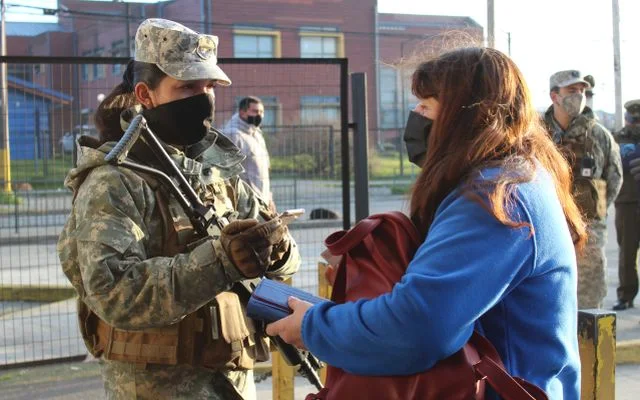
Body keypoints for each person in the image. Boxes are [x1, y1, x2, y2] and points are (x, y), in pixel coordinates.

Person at [266, 47, 585, 399]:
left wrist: (314, 327)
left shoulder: (495, 199)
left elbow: (416, 327)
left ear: (465, 116)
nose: (414, 115)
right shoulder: (518, 177)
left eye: (426, 105)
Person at [57, 18, 301, 400]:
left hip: (232, 380)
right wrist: (222, 262)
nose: (203, 97)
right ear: (146, 94)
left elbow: (284, 259)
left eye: (209, 86)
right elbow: (115, 292)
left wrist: (278, 248)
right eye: (187, 86)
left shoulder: (218, 169)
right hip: (157, 388)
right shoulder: (115, 180)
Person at [544, 70, 622, 309]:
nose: (578, 96)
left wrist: (592, 213)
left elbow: (614, 179)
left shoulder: (600, 136)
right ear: (554, 96)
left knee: (588, 308)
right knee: (547, 304)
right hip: (546, 233)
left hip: (588, 234)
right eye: (571, 91)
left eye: (582, 91)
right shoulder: (536, 135)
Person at [613, 99, 640, 310]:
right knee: (626, 253)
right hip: (627, 203)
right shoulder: (616, 138)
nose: (636, 124)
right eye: (633, 120)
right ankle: (626, 296)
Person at [221, 96, 272, 206]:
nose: (259, 115)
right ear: (242, 112)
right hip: (246, 203)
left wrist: (269, 198)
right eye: (255, 111)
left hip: (262, 200)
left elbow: (265, 169)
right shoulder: (232, 134)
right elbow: (228, 173)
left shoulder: (257, 133)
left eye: (262, 112)